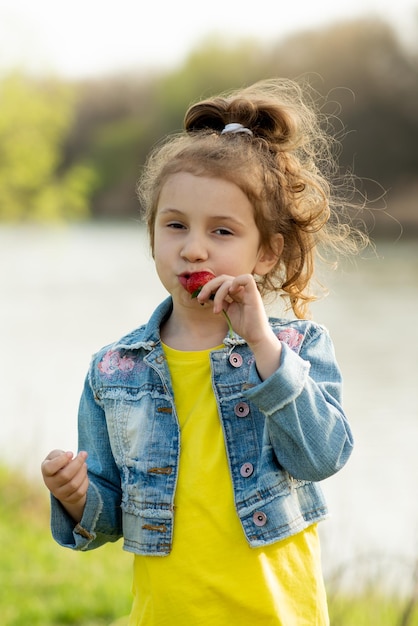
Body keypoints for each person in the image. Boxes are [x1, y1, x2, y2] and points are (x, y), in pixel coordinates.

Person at [41, 78, 367, 625]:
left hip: (275, 612)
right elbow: (109, 516)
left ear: (266, 251)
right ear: (152, 238)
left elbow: (323, 457)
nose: (194, 247)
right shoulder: (113, 370)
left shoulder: (297, 347)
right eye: (175, 226)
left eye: (221, 231)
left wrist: (262, 344)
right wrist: (74, 496)